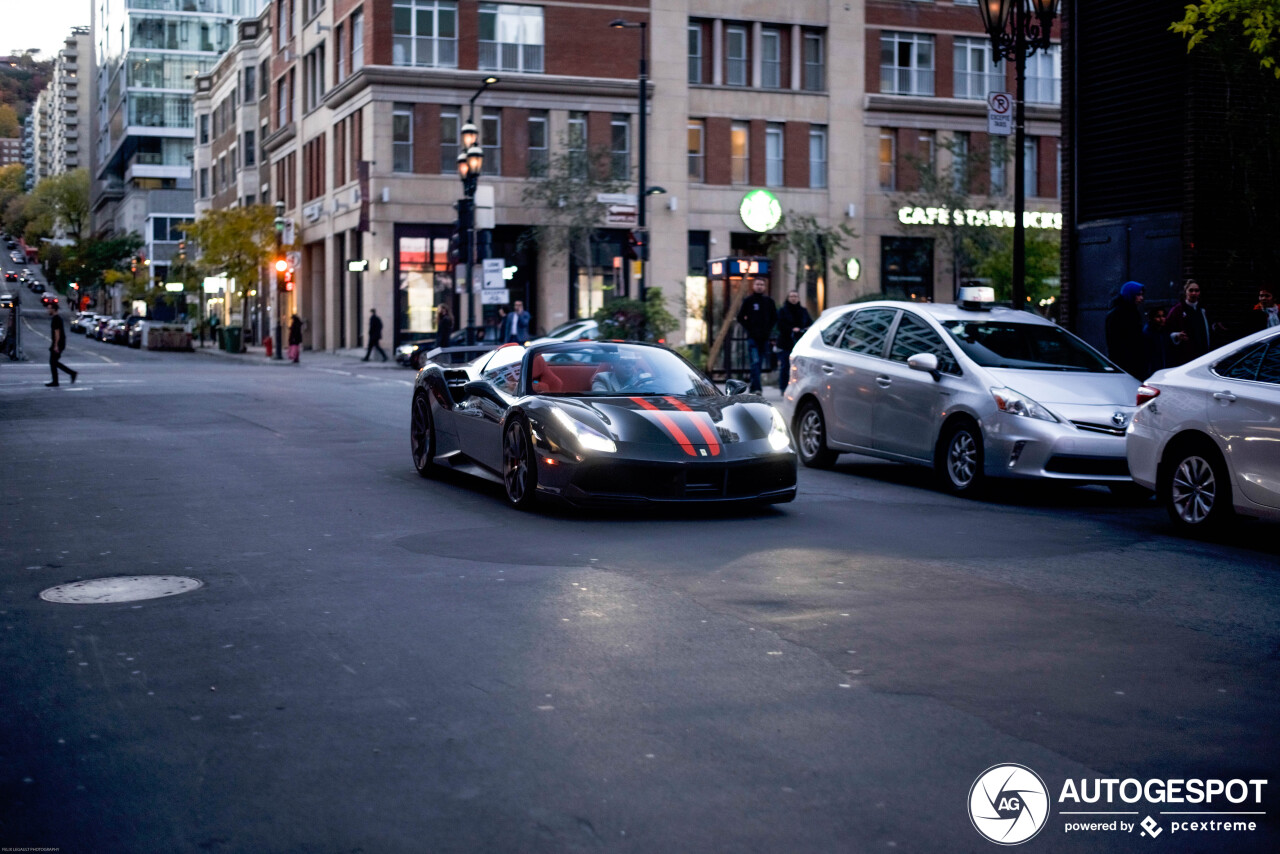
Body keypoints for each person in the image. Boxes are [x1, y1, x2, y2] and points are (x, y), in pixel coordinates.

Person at [1166, 279, 1226, 365]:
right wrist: (1176, 335)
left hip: (1203, 352)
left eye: (1196, 291)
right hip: (1185, 354)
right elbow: (1167, 329)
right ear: (1185, 292)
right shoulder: (1177, 310)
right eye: (1191, 290)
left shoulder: (1203, 309)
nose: (1194, 293)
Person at [737, 278, 777, 394]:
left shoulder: (769, 301)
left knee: (759, 363)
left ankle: (754, 385)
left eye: (762, 284)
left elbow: (775, 317)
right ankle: (757, 388)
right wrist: (749, 328)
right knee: (755, 362)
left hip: (764, 338)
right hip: (752, 337)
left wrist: (768, 329)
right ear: (753, 286)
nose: (759, 286)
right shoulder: (748, 301)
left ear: (764, 287)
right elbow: (740, 317)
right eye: (757, 284)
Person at [1104, 280, 1148, 378]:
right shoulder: (1117, 314)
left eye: (1142, 295)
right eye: (1138, 295)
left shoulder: (1133, 312)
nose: (1141, 298)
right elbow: (1114, 343)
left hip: (1134, 361)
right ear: (1131, 294)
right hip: (1125, 363)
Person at [775, 290, 813, 391]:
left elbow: (810, 323)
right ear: (788, 298)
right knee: (785, 366)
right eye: (791, 296)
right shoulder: (783, 311)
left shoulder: (803, 311)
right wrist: (791, 329)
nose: (793, 298)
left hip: (799, 342)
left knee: (799, 368)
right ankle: (783, 388)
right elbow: (780, 325)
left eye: (795, 296)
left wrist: (805, 329)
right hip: (786, 342)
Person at [46, 302, 77, 387]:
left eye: (49, 308)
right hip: (59, 343)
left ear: (54, 309)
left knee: (53, 362)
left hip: (58, 343)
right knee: (54, 362)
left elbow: (57, 333)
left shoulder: (56, 319)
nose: (48, 310)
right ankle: (69, 374)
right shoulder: (57, 318)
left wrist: (56, 345)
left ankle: (58, 380)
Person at [1143, 306, 1170, 377]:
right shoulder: (1147, 333)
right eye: (1158, 317)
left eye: (1163, 316)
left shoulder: (1164, 331)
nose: (1162, 319)